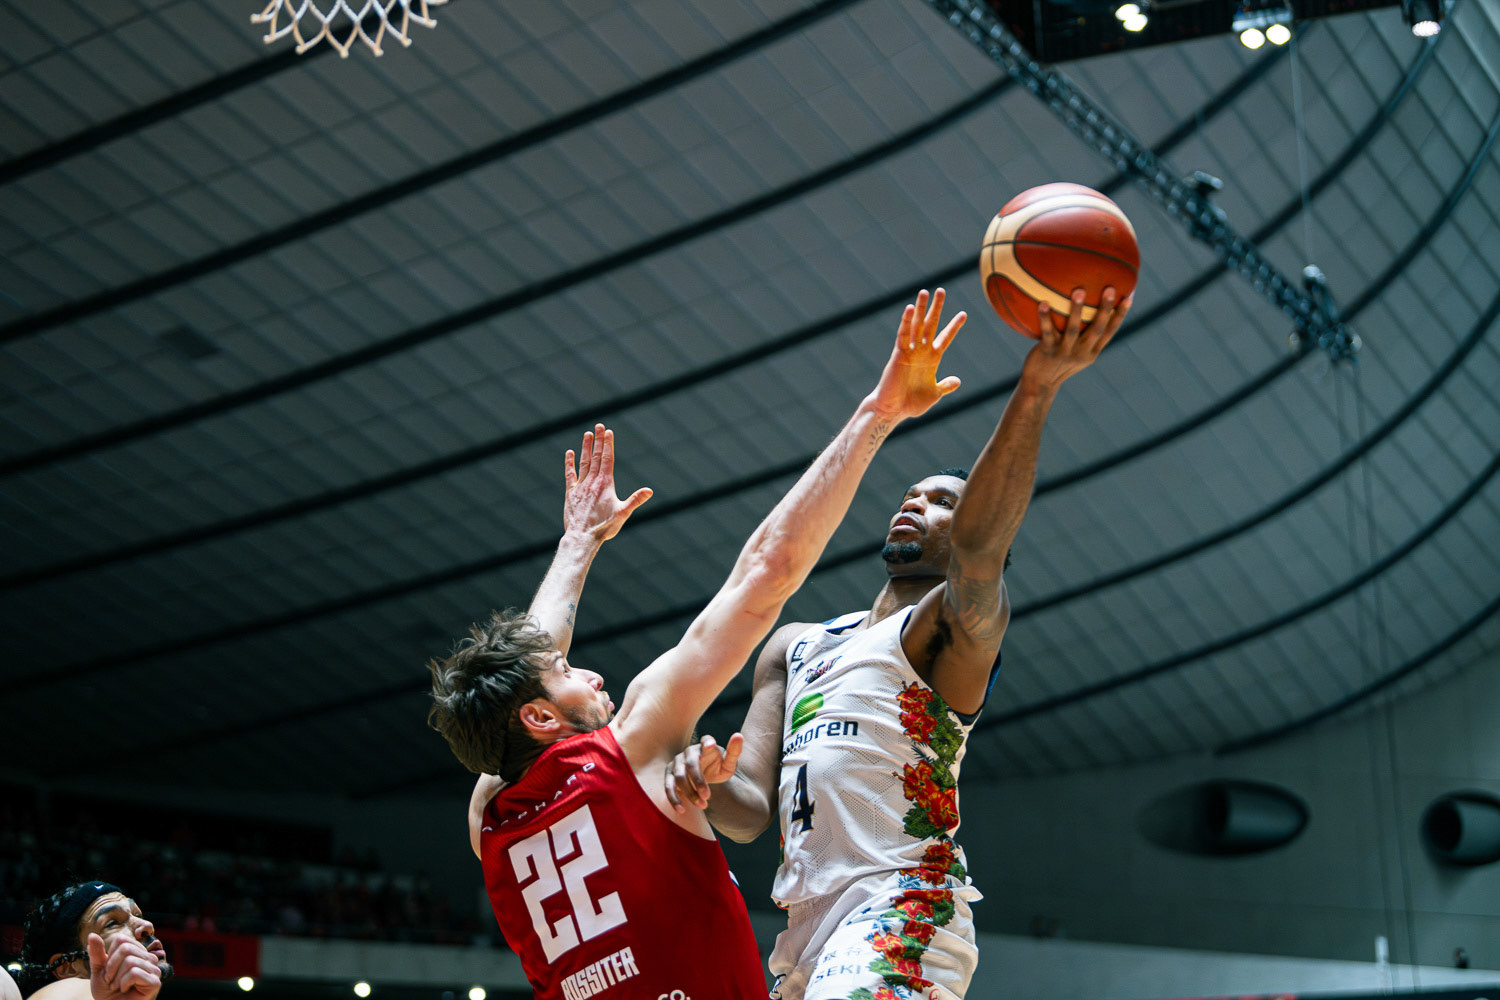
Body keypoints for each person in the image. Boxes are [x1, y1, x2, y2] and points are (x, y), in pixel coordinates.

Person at [426, 290, 966, 998]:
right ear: (538, 717)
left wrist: (579, 543)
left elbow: (527, 669)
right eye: (568, 671)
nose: (591, 674)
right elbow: (766, 572)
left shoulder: (490, 820)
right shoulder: (632, 744)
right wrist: (878, 414)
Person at [665, 288, 1130, 999]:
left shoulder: (950, 631)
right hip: (806, 931)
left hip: (902, 903)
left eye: (944, 501)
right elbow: (751, 811)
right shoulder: (795, 644)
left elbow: (980, 546)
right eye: (913, 493)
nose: (917, 502)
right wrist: (709, 782)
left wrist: (1036, 387)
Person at [16, 882, 170, 1000]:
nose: (147, 925)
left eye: (138, 915)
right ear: (67, 967)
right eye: (112, 923)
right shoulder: (61, 990)